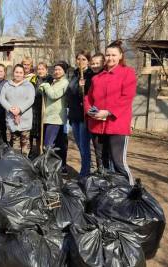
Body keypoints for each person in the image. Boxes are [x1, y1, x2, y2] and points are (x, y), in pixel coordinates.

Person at [84, 40, 136, 184]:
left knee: (118, 162)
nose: (110, 58)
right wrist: (91, 111)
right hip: (97, 126)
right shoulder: (97, 78)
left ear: (120, 56)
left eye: (113, 55)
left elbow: (127, 97)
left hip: (117, 126)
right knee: (102, 162)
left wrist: (107, 112)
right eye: (107, 55)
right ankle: (106, 192)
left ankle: (129, 192)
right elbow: (89, 97)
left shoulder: (128, 73)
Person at [66, 50, 95, 178]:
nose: (80, 61)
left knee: (84, 147)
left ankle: (84, 174)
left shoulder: (90, 75)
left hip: (84, 116)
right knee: (80, 146)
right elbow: (70, 94)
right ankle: (89, 166)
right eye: (78, 59)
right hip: (74, 115)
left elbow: (89, 95)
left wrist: (84, 86)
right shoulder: (75, 74)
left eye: (83, 59)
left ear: (88, 61)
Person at [39, 61, 69, 173]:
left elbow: (54, 95)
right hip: (51, 117)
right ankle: (61, 166)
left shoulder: (64, 83)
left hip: (55, 118)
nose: (56, 71)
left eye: (59, 69)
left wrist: (46, 86)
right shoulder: (55, 82)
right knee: (60, 144)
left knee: (48, 144)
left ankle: (47, 167)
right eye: (55, 69)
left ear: (64, 71)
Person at [0, 64, 35, 156]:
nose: (18, 74)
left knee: (25, 144)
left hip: (24, 118)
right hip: (12, 118)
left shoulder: (29, 85)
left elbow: (31, 100)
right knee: (14, 144)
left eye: (20, 72)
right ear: (13, 73)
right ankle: (17, 164)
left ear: (24, 74)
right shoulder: (7, 85)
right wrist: (10, 108)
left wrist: (20, 109)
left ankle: (25, 164)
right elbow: (2, 99)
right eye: (16, 72)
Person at [89, 52, 111, 172]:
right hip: (96, 121)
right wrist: (91, 111)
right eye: (93, 63)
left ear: (103, 63)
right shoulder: (94, 78)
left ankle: (111, 178)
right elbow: (89, 98)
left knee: (109, 154)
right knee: (98, 152)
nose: (95, 65)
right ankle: (101, 176)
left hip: (109, 122)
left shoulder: (110, 77)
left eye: (98, 63)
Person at [29, 62, 52, 158]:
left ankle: (40, 153)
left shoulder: (50, 80)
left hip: (44, 108)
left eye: (42, 69)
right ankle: (30, 152)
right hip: (34, 108)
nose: (40, 71)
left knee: (41, 132)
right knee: (32, 131)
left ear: (46, 70)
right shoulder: (33, 79)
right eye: (39, 69)